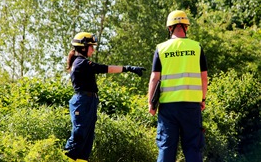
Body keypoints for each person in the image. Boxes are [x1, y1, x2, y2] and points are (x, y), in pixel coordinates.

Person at [64, 32, 146, 162]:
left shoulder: (82, 62)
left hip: (88, 101)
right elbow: (104, 68)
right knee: (79, 136)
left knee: (87, 139)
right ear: (83, 47)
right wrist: (128, 68)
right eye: (91, 46)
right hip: (83, 102)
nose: (93, 49)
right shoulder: (81, 63)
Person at [148, 10, 208, 162]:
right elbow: (204, 77)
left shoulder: (161, 48)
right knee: (192, 147)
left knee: (166, 147)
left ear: (169, 28)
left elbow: (155, 78)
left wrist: (151, 103)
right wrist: (202, 98)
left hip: (168, 108)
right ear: (186, 27)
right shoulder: (196, 47)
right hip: (191, 106)